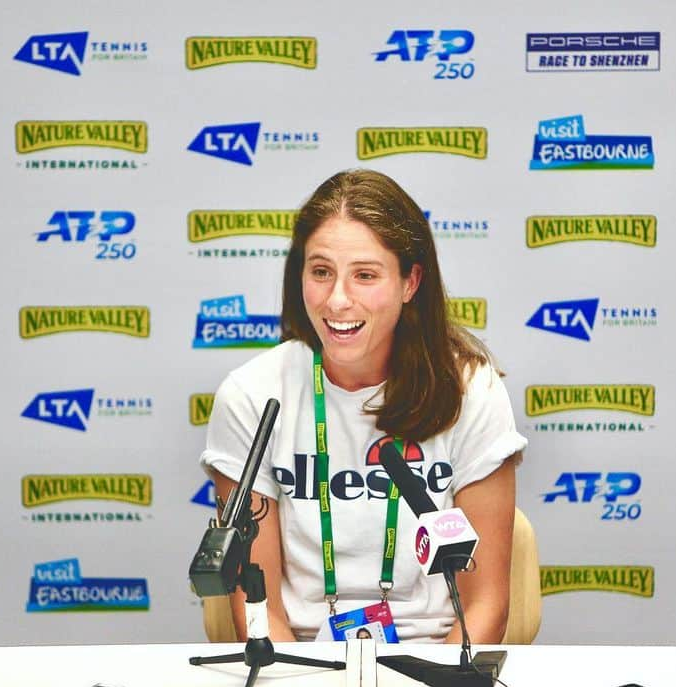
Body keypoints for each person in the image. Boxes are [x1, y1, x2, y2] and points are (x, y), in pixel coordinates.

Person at [201, 169, 526, 643]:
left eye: (365, 276)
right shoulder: (251, 396)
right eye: (321, 272)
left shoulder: (470, 391)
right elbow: (257, 607)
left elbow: (485, 604)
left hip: (436, 662)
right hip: (300, 663)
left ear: (410, 282)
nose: (337, 300)